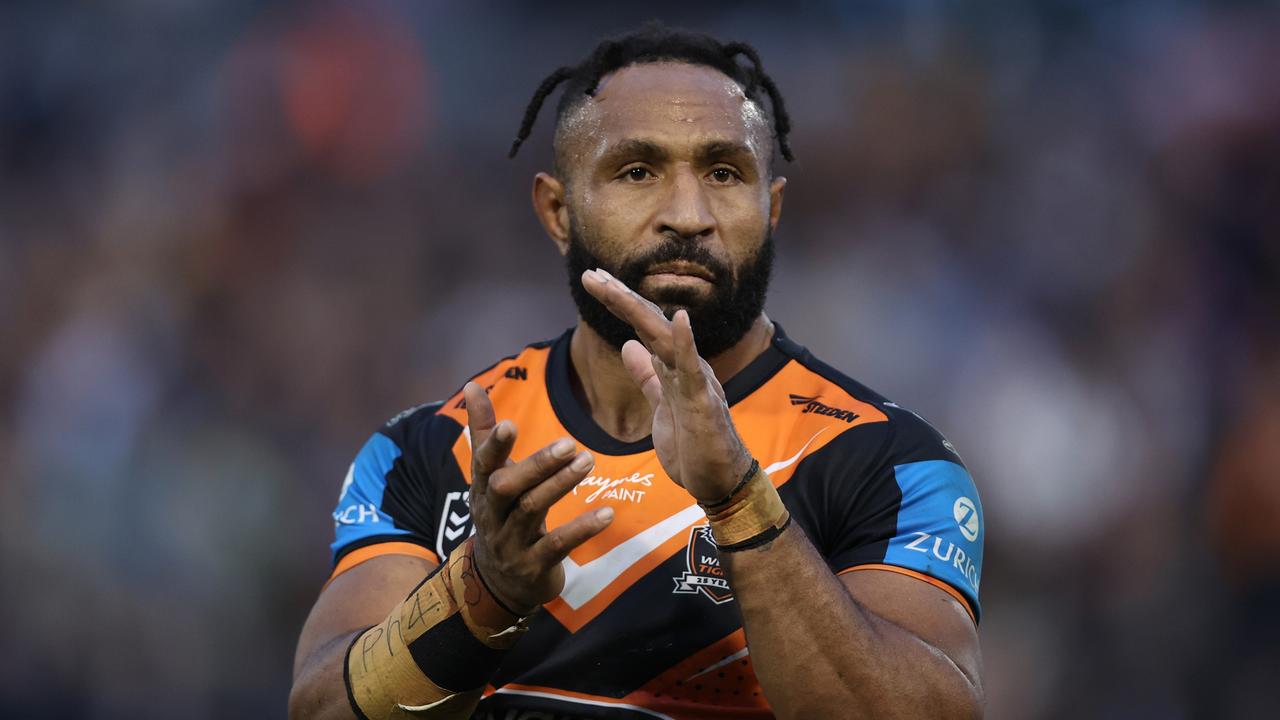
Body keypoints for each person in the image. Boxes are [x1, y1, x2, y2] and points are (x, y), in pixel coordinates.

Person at [289, 23, 985, 720]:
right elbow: (318, 709)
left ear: (770, 210)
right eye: (637, 171)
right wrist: (481, 599)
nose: (687, 216)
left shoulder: (885, 465)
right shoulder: (433, 453)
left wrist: (742, 502)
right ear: (557, 211)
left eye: (723, 173)